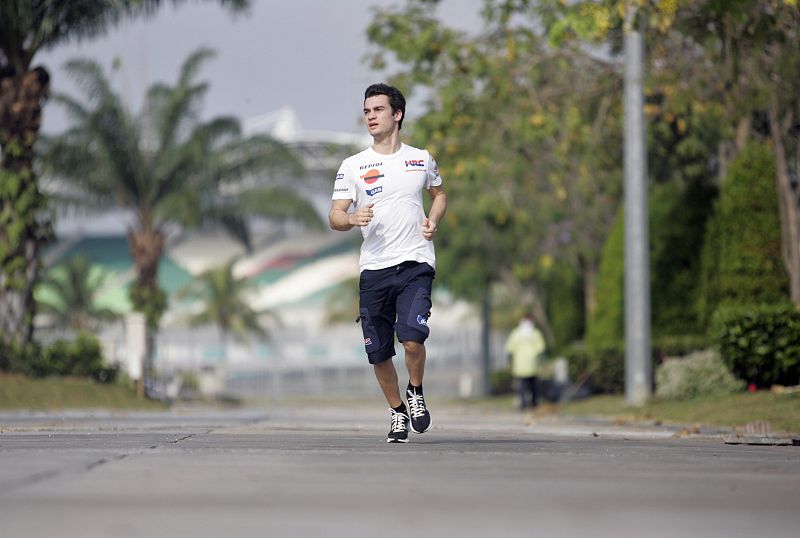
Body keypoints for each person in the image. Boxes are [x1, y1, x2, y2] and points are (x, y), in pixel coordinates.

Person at [328, 83, 447, 443]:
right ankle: (397, 411)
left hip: (415, 263)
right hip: (374, 268)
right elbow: (335, 215)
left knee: (412, 339)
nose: (370, 116)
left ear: (397, 114)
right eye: (367, 111)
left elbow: (439, 195)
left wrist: (434, 219)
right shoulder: (353, 165)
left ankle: (415, 390)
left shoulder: (421, 158)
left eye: (378, 109)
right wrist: (351, 219)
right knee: (379, 352)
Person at [504, 314, 546, 410]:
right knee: (533, 385)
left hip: (521, 364)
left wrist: (509, 361)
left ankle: (524, 403)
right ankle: (534, 403)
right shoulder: (535, 333)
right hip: (532, 364)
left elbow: (510, 348)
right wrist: (542, 361)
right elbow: (541, 348)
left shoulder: (516, 333)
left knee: (523, 386)